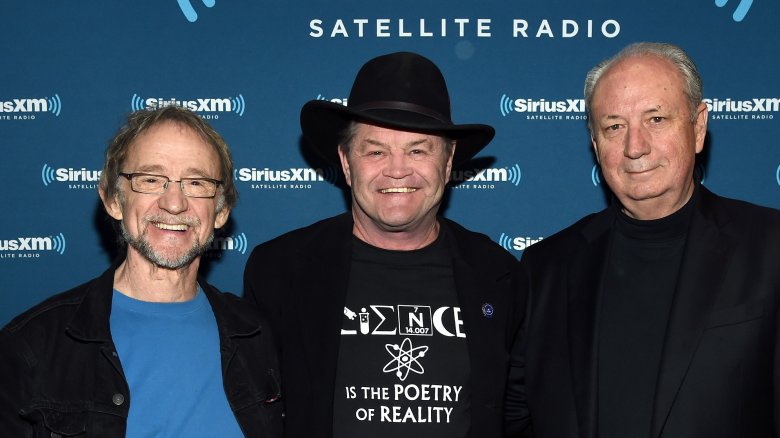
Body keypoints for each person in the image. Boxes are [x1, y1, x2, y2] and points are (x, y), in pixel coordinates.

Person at [244, 51, 527, 438]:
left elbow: (517, 417)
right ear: (346, 163)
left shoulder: (500, 275)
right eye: (375, 150)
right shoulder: (280, 270)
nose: (397, 169)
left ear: (446, 165)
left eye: (418, 150)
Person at [510, 42, 780, 437]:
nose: (635, 147)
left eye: (655, 119)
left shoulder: (770, 248)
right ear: (596, 142)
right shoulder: (545, 268)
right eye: (614, 126)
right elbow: (514, 415)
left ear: (699, 127)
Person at [0, 106, 282, 437]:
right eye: (150, 180)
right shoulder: (31, 348)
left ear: (221, 211)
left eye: (196, 182)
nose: (174, 203)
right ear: (112, 199)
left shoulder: (258, 336)